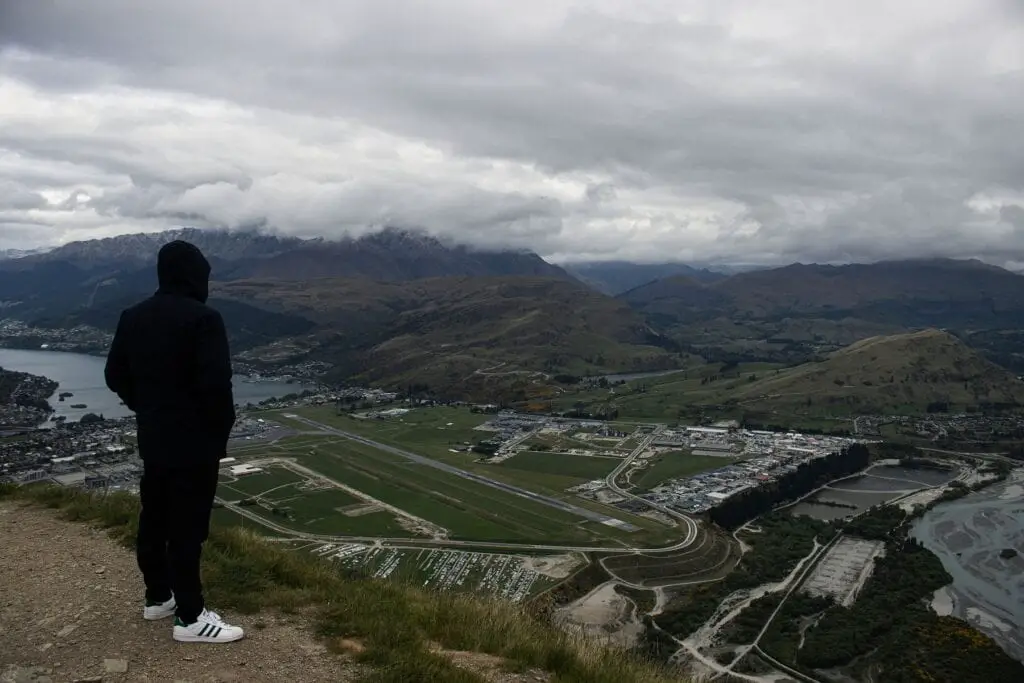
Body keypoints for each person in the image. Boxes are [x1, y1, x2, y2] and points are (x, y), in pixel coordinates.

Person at [104, 239, 244, 644]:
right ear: (195, 274)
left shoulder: (132, 316)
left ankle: (158, 596)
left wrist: (146, 406)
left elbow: (115, 374)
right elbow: (217, 385)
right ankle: (191, 616)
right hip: (195, 441)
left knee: (155, 516)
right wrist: (218, 433)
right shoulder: (204, 319)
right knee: (188, 526)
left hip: (155, 436)